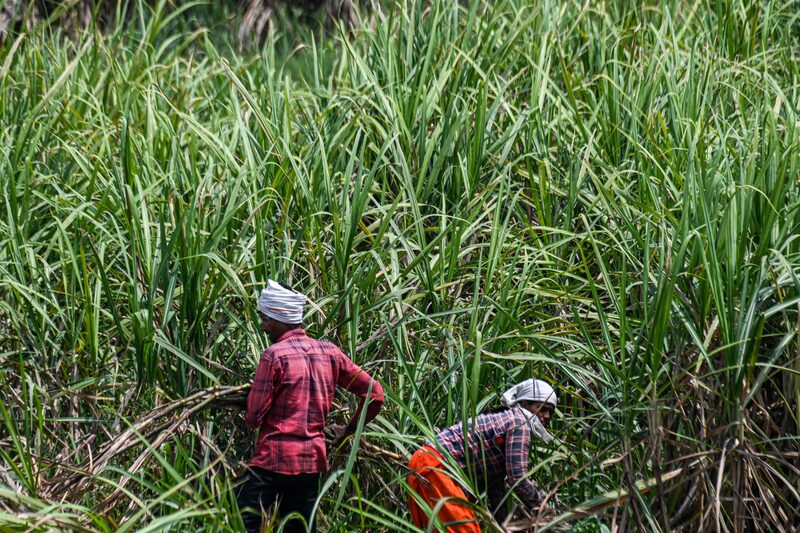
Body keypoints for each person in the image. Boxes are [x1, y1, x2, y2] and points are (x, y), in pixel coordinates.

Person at [236, 280, 385, 533]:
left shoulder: (274, 356)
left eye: (266, 319)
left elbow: (253, 417)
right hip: (311, 465)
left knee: (242, 523)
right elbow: (375, 393)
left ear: (280, 317)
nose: (263, 327)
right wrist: (347, 431)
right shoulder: (330, 353)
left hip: (272, 462)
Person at [407, 378, 557, 532]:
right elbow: (518, 478)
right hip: (435, 467)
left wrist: (505, 526)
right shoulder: (519, 422)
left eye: (550, 412)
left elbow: (495, 489)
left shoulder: (505, 419)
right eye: (542, 408)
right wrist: (546, 513)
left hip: (424, 463)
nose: (546, 416)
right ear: (524, 403)